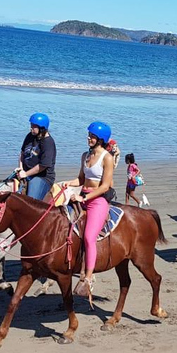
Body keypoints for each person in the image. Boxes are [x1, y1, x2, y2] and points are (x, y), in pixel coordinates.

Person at [66, 121, 115, 297]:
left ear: (100, 139)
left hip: (97, 200)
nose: (89, 138)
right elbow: (80, 179)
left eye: (92, 136)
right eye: (89, 135)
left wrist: (84, 198)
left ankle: (88, 277)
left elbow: (105, 186)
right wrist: (64, 184)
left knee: (88, 237)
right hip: (82, 196)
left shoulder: (107, 158)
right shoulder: (85, 156)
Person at [17, 113, 57, 200]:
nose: (31, 128)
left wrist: (26, 174)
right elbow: (22, 153)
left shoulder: (48, 143)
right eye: (31, 125)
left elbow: (43, 166)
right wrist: (21, 168)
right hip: (24, 172)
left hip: (42, 177)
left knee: (30, 202)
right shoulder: (30, 136)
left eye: (33, 126)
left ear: (41, 128)